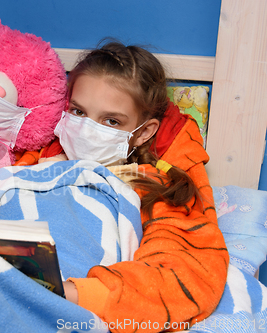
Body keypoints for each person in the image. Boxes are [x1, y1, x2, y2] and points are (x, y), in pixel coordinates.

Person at [30, 40, 229, 331]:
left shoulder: (151, 186)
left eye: (111, 121)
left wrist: (69, 294)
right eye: (78, 112)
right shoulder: (32, 160)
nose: (87, 129)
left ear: (143, 132)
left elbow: (184, 273)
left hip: (66, 298)